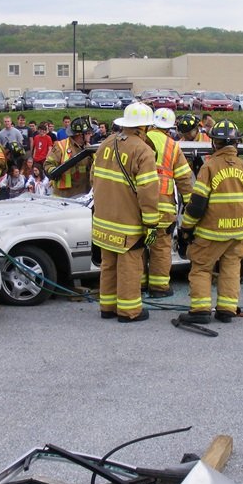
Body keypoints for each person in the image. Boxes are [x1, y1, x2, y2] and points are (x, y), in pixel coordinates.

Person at [177, 119, 243, 324]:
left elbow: (197, 204)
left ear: (214, 143)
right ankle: (226, 310)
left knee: (202, 268)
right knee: (231, 269)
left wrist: (186, 227)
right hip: (239, 233)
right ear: (236, 143)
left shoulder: (209, 167)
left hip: (212, 233)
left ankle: (200, 311)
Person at [91, 102, 159, 323]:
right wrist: (151, 225)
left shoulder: (105, 144)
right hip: (128, 223)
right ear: (143, 128)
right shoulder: (143, 150)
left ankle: (108, 307)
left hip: (103, 221)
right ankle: (130, 311)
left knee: (108, 264)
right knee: (130, 266)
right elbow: (148, 193)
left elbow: (94, 179)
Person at [143, 108, 193, 298]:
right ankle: (159, 287)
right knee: (160, 246)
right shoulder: (173, 146)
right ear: (170, 127)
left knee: (140, 244)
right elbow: (184, 179)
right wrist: (189, 204)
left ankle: (136, 285)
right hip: (162, 208)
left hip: (138, 205)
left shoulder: (140, 140)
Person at [44, 116, 93, 198]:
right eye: (88, 133)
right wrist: (55, 173)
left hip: (84, 195)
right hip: (65, 197)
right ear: (80, 135)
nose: (91, 135)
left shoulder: (89, 148)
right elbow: (48, 164)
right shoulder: (61, 146)